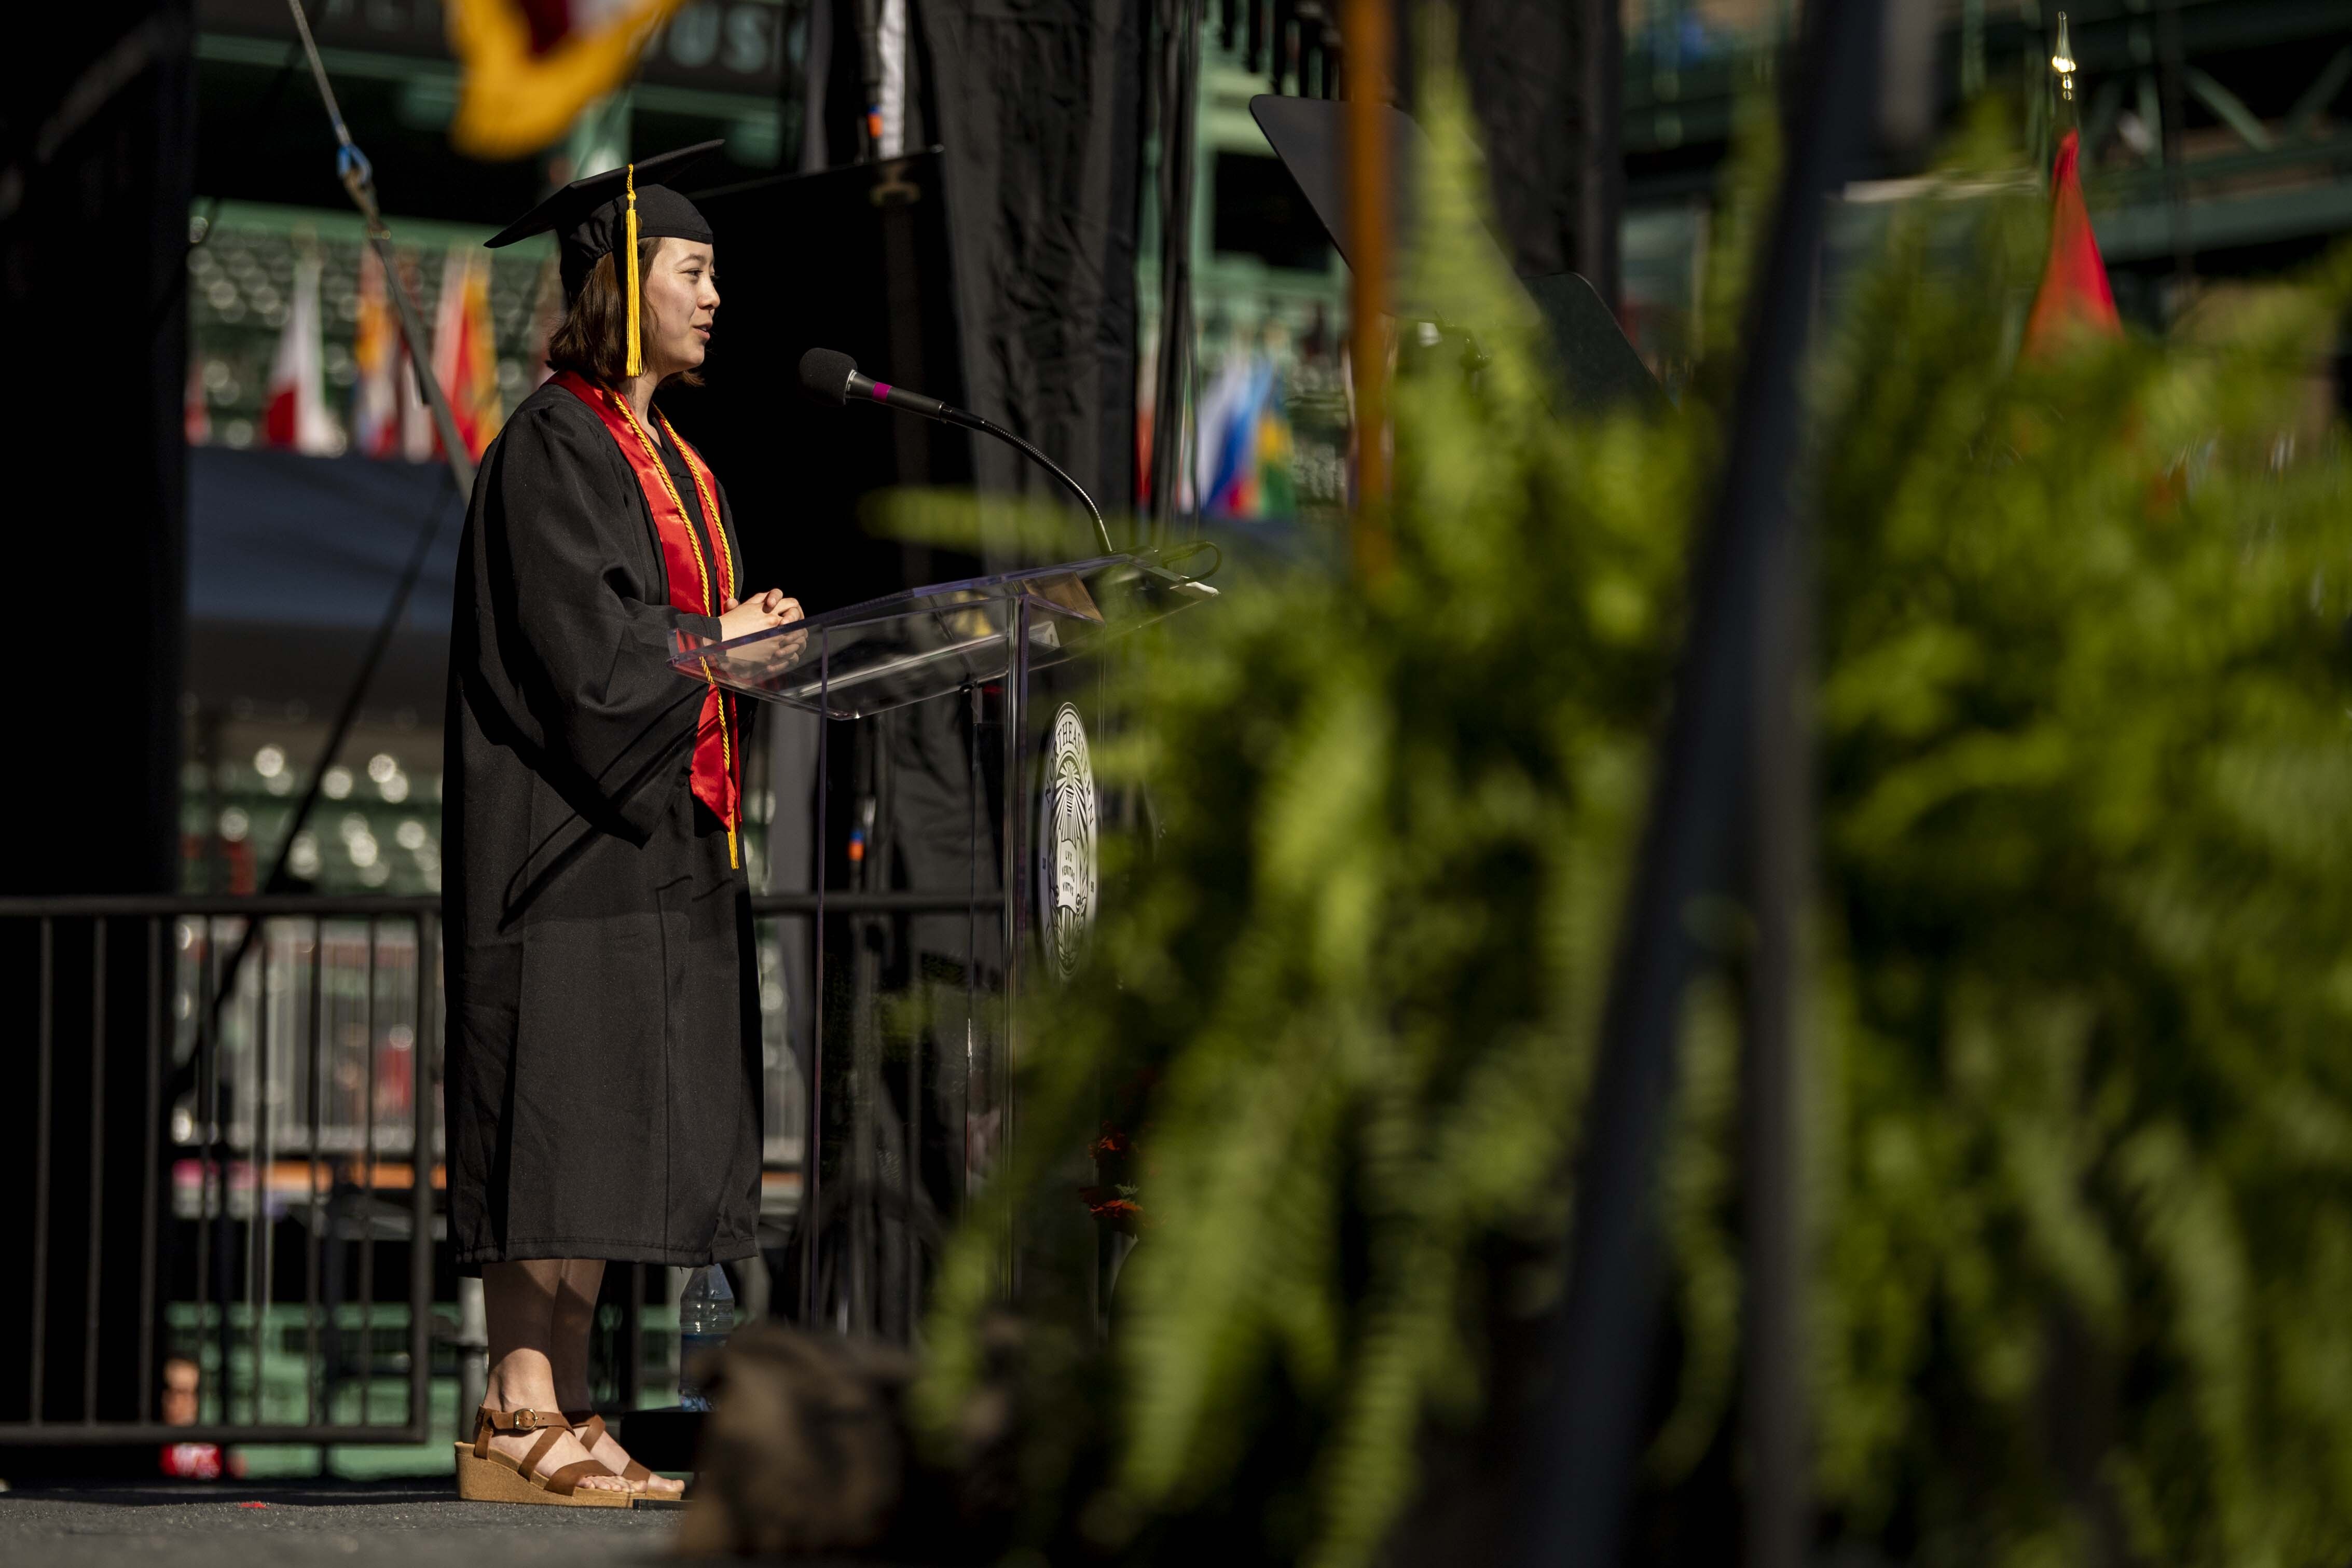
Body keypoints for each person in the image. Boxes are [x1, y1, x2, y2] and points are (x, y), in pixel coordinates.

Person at [443, 142, 801, 1506]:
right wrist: (720, 645)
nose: (718, 296)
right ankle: (513, 1405)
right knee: (554, 1125)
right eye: (695, 271)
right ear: (625, 279)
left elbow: (666, 644)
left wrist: (744, 650)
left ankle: (571, 1404)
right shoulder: (553, 444)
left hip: (643, 847)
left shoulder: (671, 457)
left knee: (595, 1135)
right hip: (559, 847)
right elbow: (589, 653)